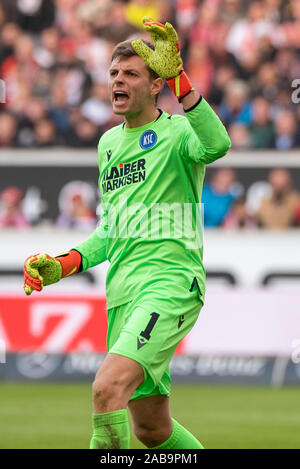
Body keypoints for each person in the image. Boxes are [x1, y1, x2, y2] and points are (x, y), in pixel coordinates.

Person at [23, 18, 231, 450]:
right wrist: (64, 264)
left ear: (155, 85)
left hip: (169, 282)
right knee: (151, 429)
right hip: (123, 292)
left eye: (131, 74)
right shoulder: (108, 145)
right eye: (114, 73)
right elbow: (111, 229)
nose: (118, 80)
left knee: (106, 388)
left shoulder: (178, 133)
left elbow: (217, 145)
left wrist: (179, 76)